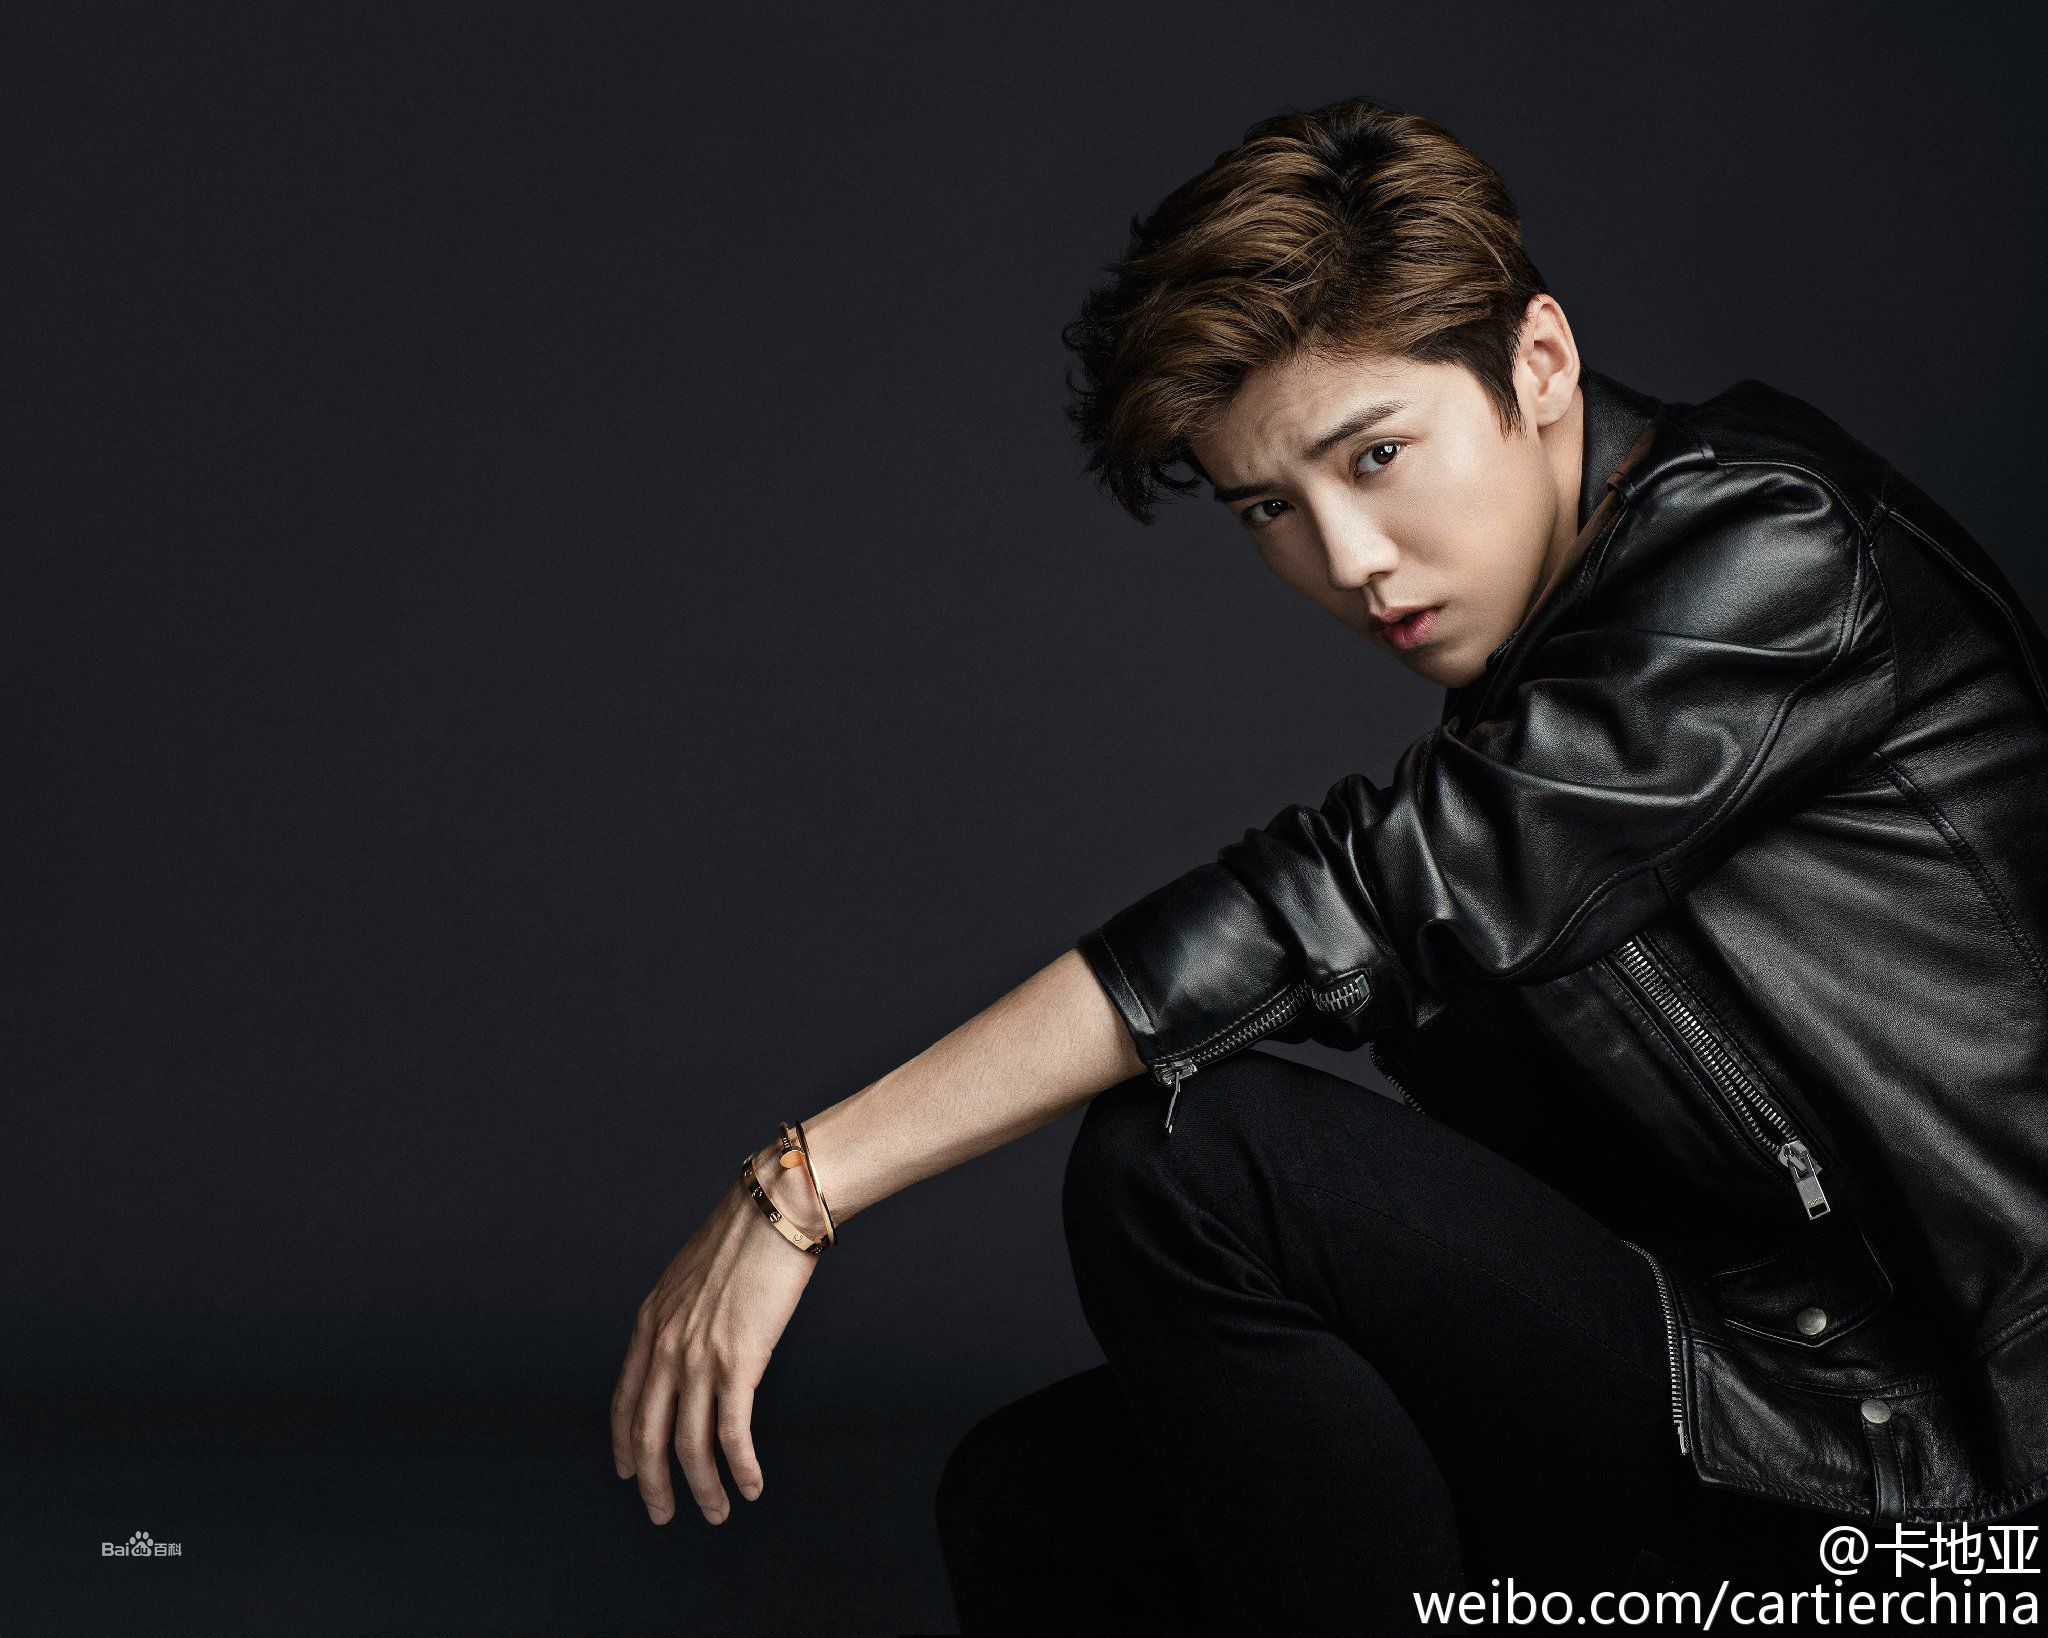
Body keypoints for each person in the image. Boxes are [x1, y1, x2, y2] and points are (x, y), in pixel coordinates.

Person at [609, 96, 2048, 1632]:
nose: (1346, 556)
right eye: (1270, 508)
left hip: (1951, 1476)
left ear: (1540, 364)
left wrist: (807, 1181)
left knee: (1189, 1160)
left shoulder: (1772, 551)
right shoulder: (1538, 677)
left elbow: (1354, 898)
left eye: (1377, 454)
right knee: (1037, 1504)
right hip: (1759, 1374)